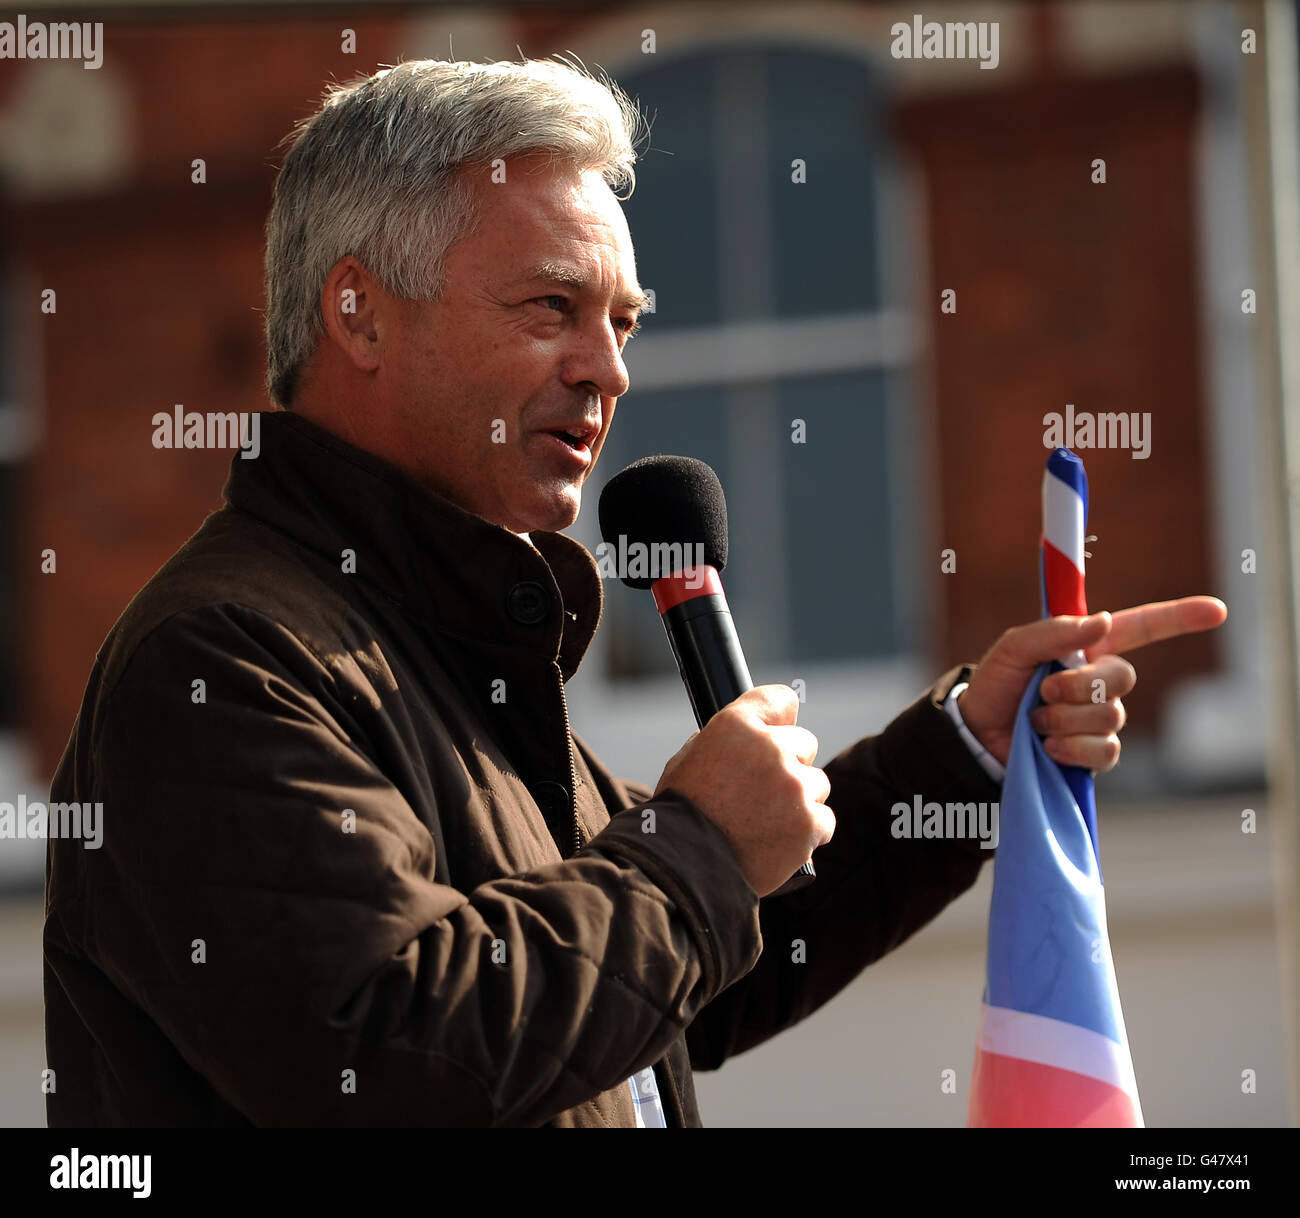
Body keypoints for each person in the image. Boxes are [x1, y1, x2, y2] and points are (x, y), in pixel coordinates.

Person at [42, 58, 1226, 1128]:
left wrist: (965, 748)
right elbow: (392, 1055)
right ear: (358, 311)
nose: (608, 369)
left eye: (622, 322)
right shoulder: (225, 658)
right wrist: (700, 841)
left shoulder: (446, 647)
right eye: (551, 307)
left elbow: (679, 972)